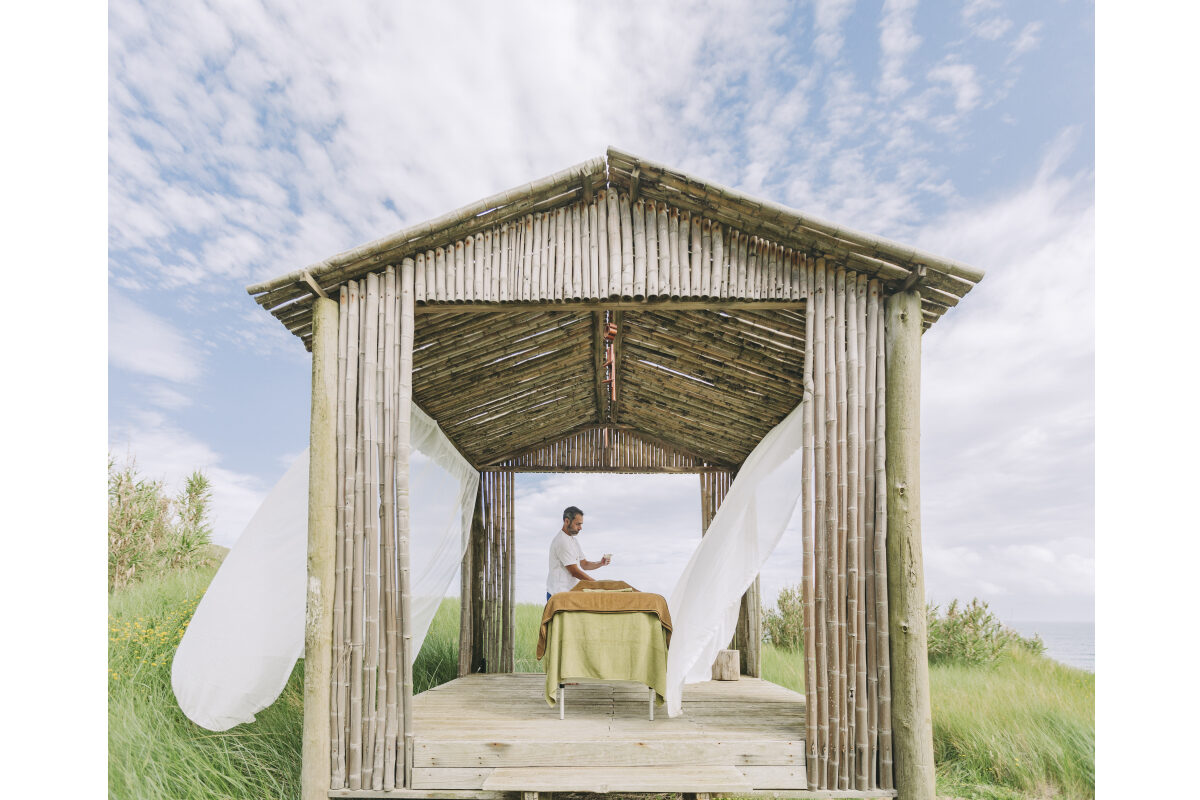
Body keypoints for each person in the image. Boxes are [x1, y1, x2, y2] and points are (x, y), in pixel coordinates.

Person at [546, 505, 611, 601]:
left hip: (570, 593)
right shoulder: (562, 541)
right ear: (567, 521)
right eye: (578, 524)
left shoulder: (573, 541)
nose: (580, 528)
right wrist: (596, 585)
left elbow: (584, 564)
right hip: (558, 595)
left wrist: (600, 563)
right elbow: (574, 571)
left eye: (581, 524)